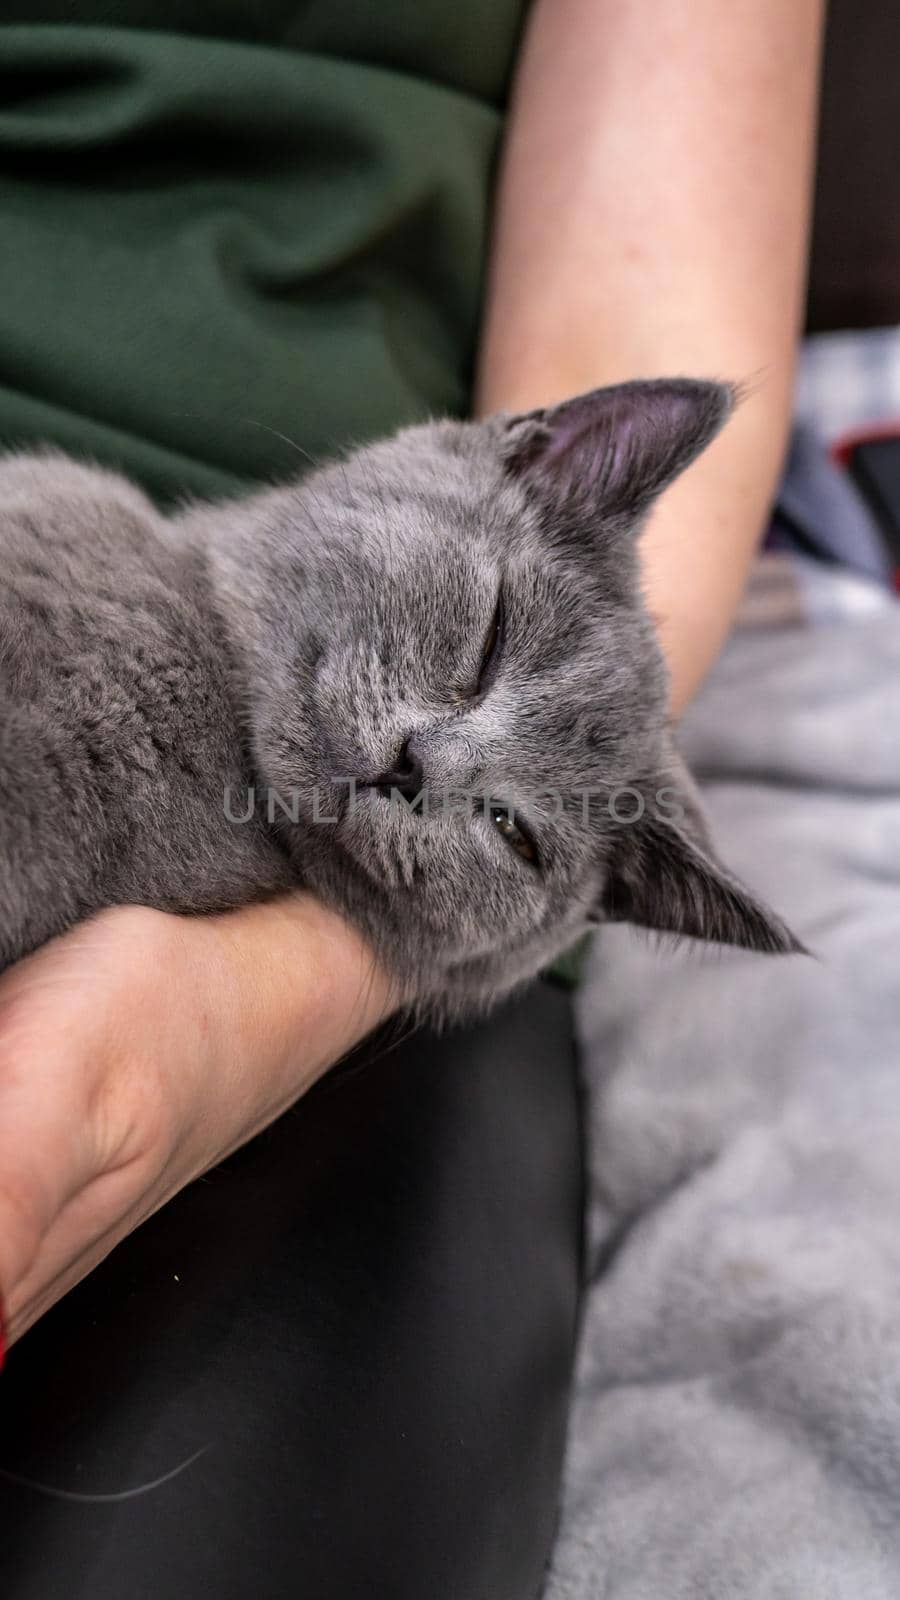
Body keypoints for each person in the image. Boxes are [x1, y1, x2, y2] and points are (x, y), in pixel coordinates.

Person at [0, 1, 822, 1564]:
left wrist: (229, 1023)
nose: (432, 758)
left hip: (297, 1023)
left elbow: (642, 299)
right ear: (524, 458)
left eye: (513, 828)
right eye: (486, 630)